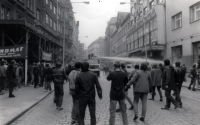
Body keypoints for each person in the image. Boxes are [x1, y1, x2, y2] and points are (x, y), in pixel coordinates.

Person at [107, 61, 128, 125]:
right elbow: (126, 82)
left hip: (113, 95)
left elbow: (108, 78)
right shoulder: (124, 74)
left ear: (115, 66)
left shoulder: (112, 73)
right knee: (123, 112)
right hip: (122, 95)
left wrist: (111, 72)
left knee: (112, 112)